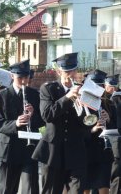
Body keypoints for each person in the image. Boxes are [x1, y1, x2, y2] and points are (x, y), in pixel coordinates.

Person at [32, 52, 92, 194]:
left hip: (76, 150)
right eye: (67, 71)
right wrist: (67, 98)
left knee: (77, 190)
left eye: (73, 70)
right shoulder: (48, 89)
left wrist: (84, 105)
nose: (70, 74)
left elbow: (88, 122)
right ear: (59, 72)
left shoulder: (84, 90)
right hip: (54, 151)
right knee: (51, 190)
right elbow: (47, 115)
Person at [0, 59, 44, 194]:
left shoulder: (35, 95)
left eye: (26, 77)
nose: (23, 81)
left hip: (29, 148)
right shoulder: (0, 96)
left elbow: (42, 121)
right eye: (20, 77)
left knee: (31, 187)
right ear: (11, 76)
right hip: (8, 148)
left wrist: (33, 115)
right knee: (6, 188)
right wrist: (15, 123)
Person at [83, 70, 116, 194]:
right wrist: (93, 129)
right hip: (87, 151)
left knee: (104, 187)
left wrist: (108, 120)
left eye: (101, 86)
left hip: (104, 152)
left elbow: (116, 128)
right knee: (85, 188)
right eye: (95, 86)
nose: (98, 89)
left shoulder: (109, 104)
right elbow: (77, 129)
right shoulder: (82, 103)